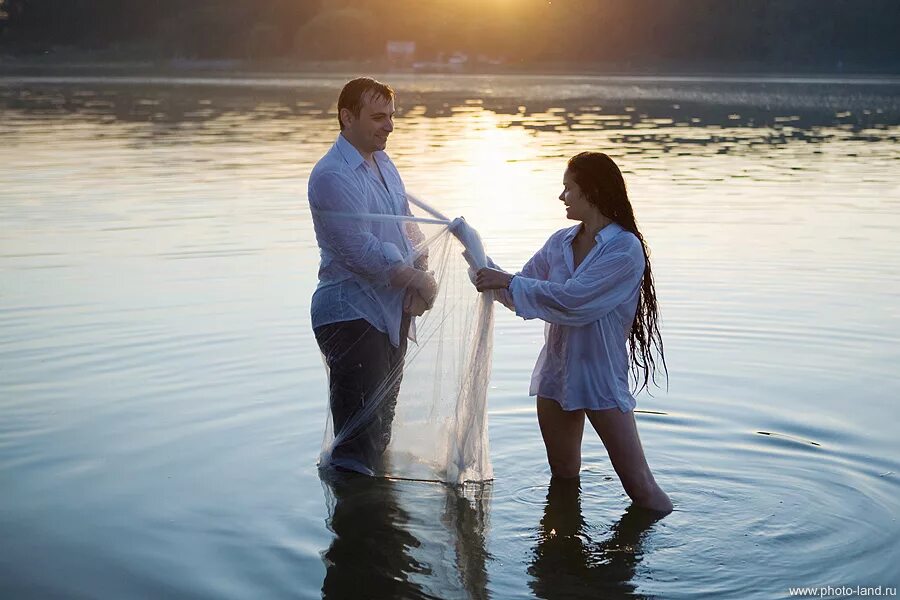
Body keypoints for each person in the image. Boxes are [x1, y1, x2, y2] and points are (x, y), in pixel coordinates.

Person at [474, 152, 673, 513]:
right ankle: (562, 557)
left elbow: (573, 301)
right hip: (556, 373)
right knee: (563, 473)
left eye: (569, 189)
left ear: (591, 192)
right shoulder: (559, 242)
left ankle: (667, 559)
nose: (562, 197)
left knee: (640, 488)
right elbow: (519, 294)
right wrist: (478, 260)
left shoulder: (625, 249)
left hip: (599, 376)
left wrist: (509, 281)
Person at [308, 77, 437, 475]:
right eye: (378, 117)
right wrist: (418, 282)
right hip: (350, 315)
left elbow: (406, 226)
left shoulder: (383, 163)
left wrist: (422, 269)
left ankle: (377, 527)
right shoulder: (332, 175)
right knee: (356, 443)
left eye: (392, 117)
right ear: (347, 117)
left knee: (379, 432)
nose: (390, 126)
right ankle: (357, 529)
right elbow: (362, 253)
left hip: (388, 311)